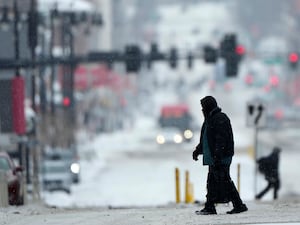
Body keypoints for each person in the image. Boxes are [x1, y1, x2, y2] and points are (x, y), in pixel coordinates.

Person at [192, 96, 248, 215]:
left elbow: (220, 140)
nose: (202, 110)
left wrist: (218, 156)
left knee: (224, 180)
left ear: (208, 106)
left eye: (203, 107)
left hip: (221, 158)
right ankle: (211, 206)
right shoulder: (209, 119)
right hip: (215, 158)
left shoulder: (220, 118)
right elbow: (205, 139)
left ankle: (237, 205)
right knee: (214, 181)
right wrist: (198, 150)